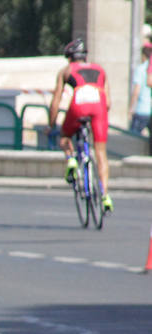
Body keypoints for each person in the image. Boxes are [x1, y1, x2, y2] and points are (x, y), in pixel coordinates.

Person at [49, 38, 112, 213]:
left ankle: (71, 160)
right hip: (99, 104)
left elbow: (56, 101)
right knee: (101, 152)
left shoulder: (66, 70)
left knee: (65, 136)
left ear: (69, 57)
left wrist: (51, 124)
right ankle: (105, 195)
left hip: (79, 103)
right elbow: (108, 103)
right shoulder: (100, 70)